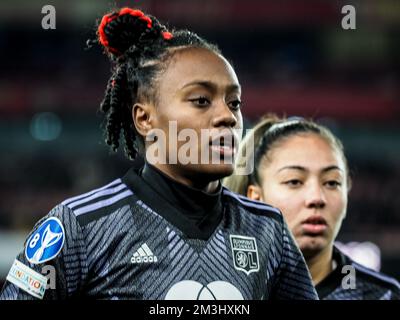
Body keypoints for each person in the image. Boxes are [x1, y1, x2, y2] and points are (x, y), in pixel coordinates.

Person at [0, 8, 317, 300]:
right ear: (144, 119)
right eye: (201, 100)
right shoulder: (77, 227)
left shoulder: (267, 228)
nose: (229, 117)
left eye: (234, 103)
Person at [223, 114, 400, 299]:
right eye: (294, 181)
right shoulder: (220, 289)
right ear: (255, 199)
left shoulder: (383, 295)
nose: (317, 198)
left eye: (332, 182)